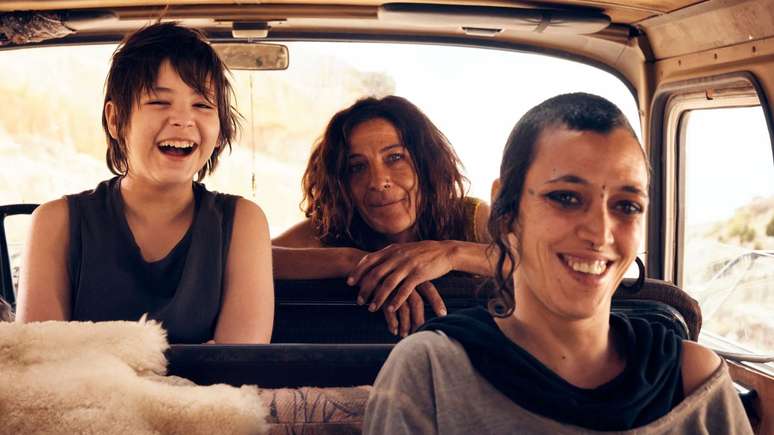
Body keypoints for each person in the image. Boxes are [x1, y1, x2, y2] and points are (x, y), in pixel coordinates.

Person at [363, 93, 753, 433]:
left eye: (627, 206)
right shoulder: (430, 371)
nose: (600, 233)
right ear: (506, 209)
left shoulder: (694, 379)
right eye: (565, 198)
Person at [15, 22, 274, 344]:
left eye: (202, 105)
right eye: (159, 102)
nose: (183, 119)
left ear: (220, 130)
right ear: (115, 119)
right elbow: (42, 359)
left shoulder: (242, 221)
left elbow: (239, 362)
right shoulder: (56, 222)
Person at [273, 96, 493, 336]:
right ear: (342, 184)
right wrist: (353, 261)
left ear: (426, 164)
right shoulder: (331, 228)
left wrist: (451, 253)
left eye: (395, 157)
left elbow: (522, 258)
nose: (378, 182)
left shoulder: (469, 218)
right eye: (357, 167)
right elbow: (256, 258)